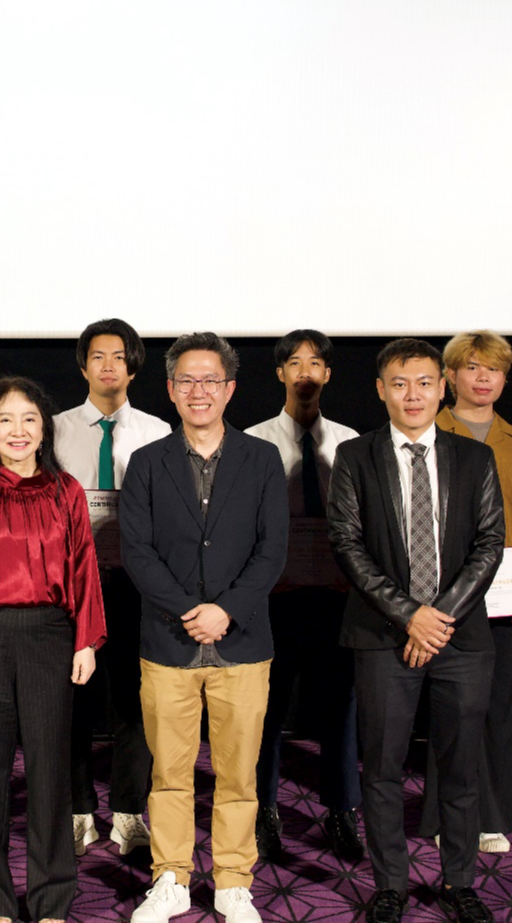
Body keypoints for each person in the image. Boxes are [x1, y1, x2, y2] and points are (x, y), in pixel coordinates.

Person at [327, 338, 504, 923]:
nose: (413, 395)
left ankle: (459, 882)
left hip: (460, 637)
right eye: (400, 384)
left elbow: (490, 544)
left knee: (460, 765)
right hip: (383, 636)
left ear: (442, 388)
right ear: (381, 389)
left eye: (425, 383)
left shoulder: (474, 457)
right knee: (381, 766)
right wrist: (409, 615)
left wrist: (439, 616)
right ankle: (391, 885)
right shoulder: (354, 456)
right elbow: (347, 544)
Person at [123, 333, 286, 923]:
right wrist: (190, 612)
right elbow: (137, 552)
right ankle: (170, 877)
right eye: (187, 381)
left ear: (230, 388)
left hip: (243, 642)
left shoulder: (262, 459)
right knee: (169, 773)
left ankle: (232, 881)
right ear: (170, 389)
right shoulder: (146, 462)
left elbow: (272, 550)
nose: (199, 391)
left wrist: (227, 610)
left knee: (238, 775)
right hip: (169, 642)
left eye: (210, 380)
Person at [0, 376, 107, 923]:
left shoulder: (66, 491)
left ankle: (52, 896)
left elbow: (85, 568)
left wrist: (86, 642)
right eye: (5, 419)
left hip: (52, 637)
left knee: (51, 772)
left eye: (29, 419)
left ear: (45, 428)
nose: (18, 430)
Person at [421, 330, 512, 854]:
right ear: (450, 377)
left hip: (506, 591)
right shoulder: (429, 429)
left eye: (493, 370)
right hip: (444, 593)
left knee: (497, 706)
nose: (483, 378)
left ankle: (492, 816)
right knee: (449, 707)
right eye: (473, 367)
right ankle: (443, 815)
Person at [243, 329, 362, 863]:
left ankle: (341, 811)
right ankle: (264, 812)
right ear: (280, 374)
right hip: (274, 598)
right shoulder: (254, 441)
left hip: (337, 595)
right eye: (294, 363)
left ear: (328, 374)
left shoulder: (350, 442)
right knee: (265, 711)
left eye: (315, 363)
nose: (305, 372)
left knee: (340, 709)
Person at [52, 317, 170, 857]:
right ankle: (79, 810)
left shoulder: (157, 431)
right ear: (83, 366)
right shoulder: (54, 430)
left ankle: (127, 811)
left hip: (135, 585)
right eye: (98, 356)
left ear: (134, 366)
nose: (108, 366)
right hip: (70, 585)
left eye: (119, 357)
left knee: (133, 701)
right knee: (71, 701)